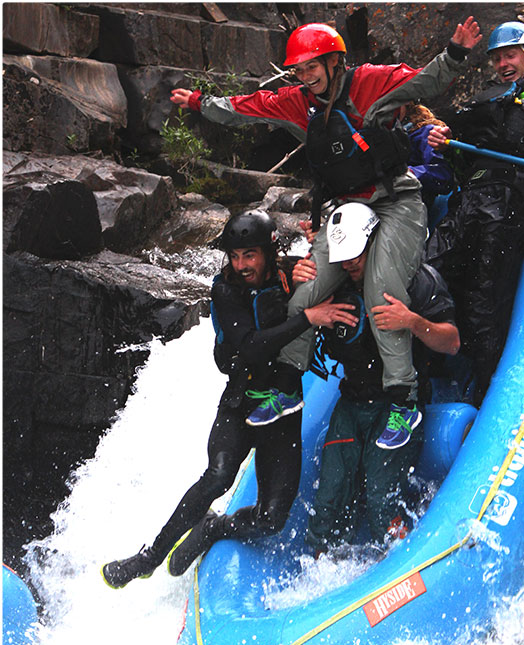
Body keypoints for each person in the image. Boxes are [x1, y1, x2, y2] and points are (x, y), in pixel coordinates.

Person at [170, 18, 481, 449]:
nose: (305, 75)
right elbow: (250, 107)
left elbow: (427, 82)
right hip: (344, 207)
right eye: (298, 69)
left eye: (312, 65)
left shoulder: (372, 82)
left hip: (395, 201)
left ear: (335, 61)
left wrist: (456, 53)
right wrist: (203, 103)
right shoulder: (299, 103)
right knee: (306, 291)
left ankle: (403, 399)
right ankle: (287, 384)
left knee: (382, 291)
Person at [101, 210, 357, 588]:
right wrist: (308, 318)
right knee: (218, 475)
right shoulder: (224, 290)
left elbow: (331, 270)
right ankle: (149, 557)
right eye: (235, 256)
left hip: (283, 408)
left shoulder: (290, 272)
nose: (241, 265)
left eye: (249, 255)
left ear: (269, 251)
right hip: (242, 400)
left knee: (272, 520)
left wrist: (314, 253)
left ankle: (214, 527)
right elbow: (251, 348)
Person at [425, 21, 524, 404]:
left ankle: (484, 391)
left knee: (485, 298)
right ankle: (425, 378)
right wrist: (445, 145)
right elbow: (464, 160)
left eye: (510, 55)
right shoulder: (488, 100)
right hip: (472, 197)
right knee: (431, 276)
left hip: (518, 201)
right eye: (496, 58)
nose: (502, 64)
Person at [292, 203, 459, 553]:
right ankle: (324, 574)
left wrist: (412, 321)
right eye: (343, 256)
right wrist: (304, 287)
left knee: (382, 505)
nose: (350, 263)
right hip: (351, 403)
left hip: (399, 406)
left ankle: (405, 565)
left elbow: (452, 342)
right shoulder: (333, 283)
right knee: (326, 508)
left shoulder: (415, 279)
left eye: (357, 254)